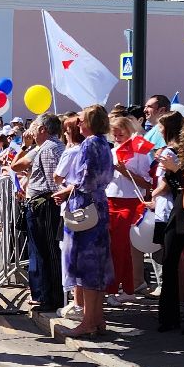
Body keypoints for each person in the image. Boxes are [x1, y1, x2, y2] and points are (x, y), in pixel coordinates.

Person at [54, 105, 115, 338]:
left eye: (81, 120)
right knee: (97, 264)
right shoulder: (103, 143)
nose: (78, 123)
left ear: (90, 122)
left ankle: (88, 322)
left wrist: (67, 192)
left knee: (86, 264)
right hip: (100, 205)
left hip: (85, 206)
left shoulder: (89, 144)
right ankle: (97, 319)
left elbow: (85, 179)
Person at [15, 112, 66, 316]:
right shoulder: (47, 147)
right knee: (43, 251)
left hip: (45, 205)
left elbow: (55, 182)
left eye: (35, 127)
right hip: (42, 204)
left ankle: (51, 297)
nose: (32, 131)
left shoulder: (49, 149)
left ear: (43, 129)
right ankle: (46, 295)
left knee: (48, 252)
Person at [150, 111, 184, 331]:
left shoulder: (170, 152)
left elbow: (166, 184)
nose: (158, 130)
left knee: (173, 262)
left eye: (160, 127)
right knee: (183, 261)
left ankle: (176, 309)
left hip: (171, 210)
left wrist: (153, 195)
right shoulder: (182, 151)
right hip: (176, 209)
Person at [105, 113, 155, 302]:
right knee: (116, 249)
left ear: (129, 132)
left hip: (130, 202)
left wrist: (125, 172)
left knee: (121, 248)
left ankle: (120, 289)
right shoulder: (111, 151)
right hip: (110, 200)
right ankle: (122, 288)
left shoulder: (139, 152)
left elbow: (147, 183)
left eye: (121, 134)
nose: (118, 138)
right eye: (115, 134)